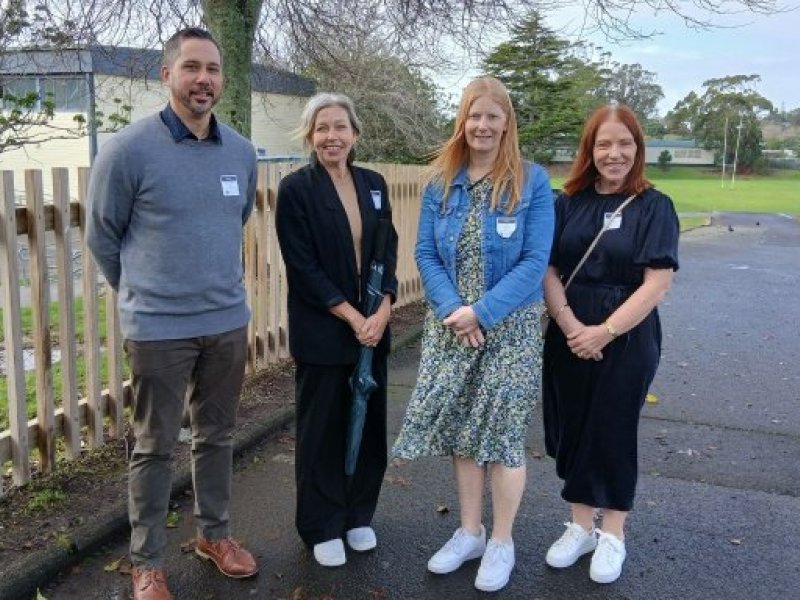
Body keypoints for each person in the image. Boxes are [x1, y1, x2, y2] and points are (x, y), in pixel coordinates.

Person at [87, 27, 259, 600]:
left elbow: (232, 224)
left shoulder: (238, 151)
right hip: (159, 331)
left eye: (212, 68)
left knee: (216, 434)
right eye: (191, 67)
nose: (203, 78)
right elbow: (103, 236)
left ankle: (214, 535)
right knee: (155, 445)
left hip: (226, 323)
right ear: (167, 76)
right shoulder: (127, 150)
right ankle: (147, 563)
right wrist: (141, 293)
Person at [392, 77, 554, 593]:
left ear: (508, 122)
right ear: (462, 121)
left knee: (502, 436)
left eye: (492, 116)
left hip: (510, 329)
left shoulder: (532, 182)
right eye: (473, 116)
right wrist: (451, 309)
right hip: (451, 327)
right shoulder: (442, 182)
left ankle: (502, 541)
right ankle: (470, 532)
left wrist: (481, 313)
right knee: (464, 433)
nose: (482, 126)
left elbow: (535, 261)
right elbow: (425, 254)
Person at [541, 104, 680, 584]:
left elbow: (656, 283)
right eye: (604, 144)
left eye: (624, 143)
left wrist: (604, 331)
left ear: (638, 148)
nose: (614, 153)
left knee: (613, 428)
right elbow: (550, 268)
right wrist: (569, 323)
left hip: (627, 336)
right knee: (574, 426)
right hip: (568, 330)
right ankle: (580, 526)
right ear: (589, 149)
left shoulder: (654, 206)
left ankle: (613, 532)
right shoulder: (567, 203)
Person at [274, 93, 398, 568]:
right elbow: (302, 266)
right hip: (326, 330)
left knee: (368, 427)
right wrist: (351, 316)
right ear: (310, 135)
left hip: (374, 325)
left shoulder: (374, 183)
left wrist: (384, 305)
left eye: (341, 127)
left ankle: (357, 513)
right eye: (322, 128)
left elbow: (388, 248)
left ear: (355, 134)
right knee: (322, 429)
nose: (332, 136)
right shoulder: (297, 189)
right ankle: (322, 523)